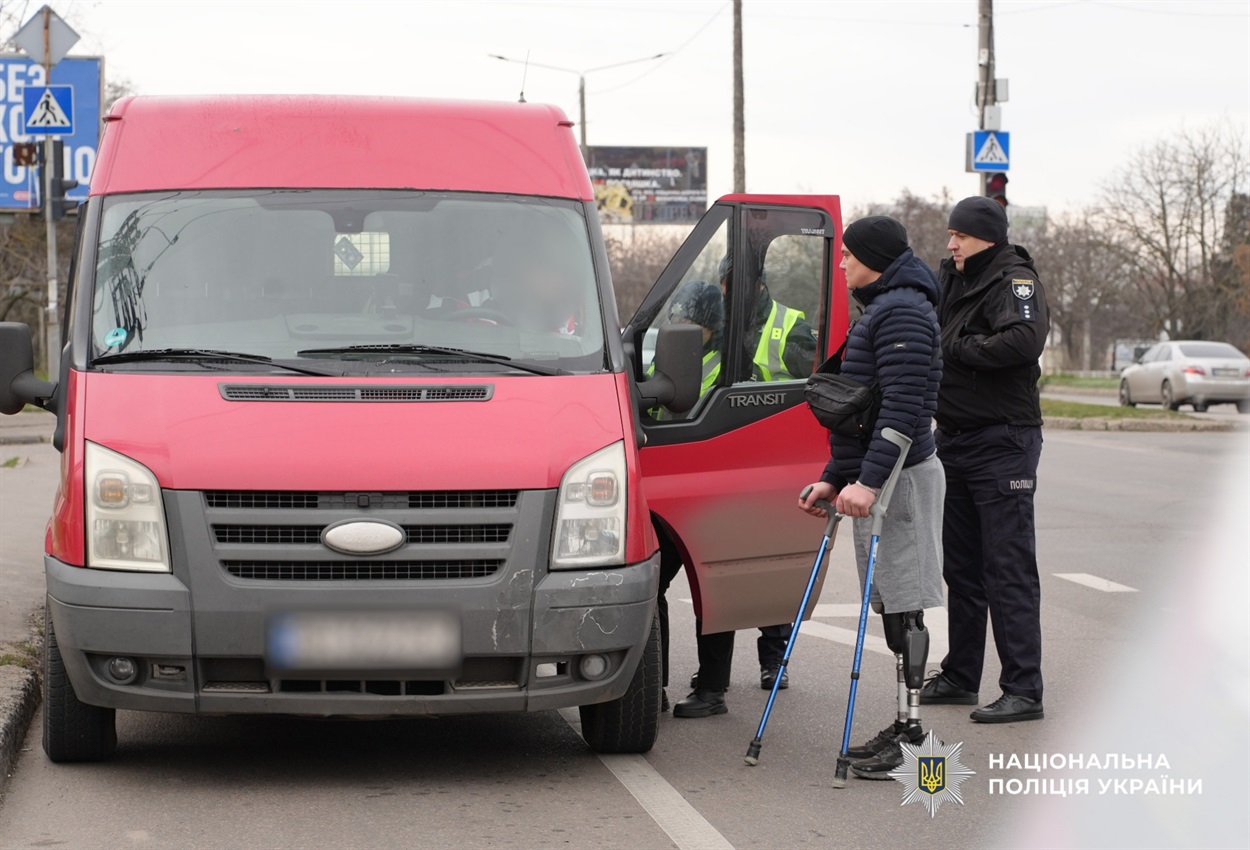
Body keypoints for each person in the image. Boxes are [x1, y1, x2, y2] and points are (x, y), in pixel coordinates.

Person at [799, 215, 945, 779]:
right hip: (881, 479)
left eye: (848, 254)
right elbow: (859, 409)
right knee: (890, 605)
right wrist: (836, 477)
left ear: (875, 257)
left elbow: (904, 411)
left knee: (905, 604)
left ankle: (912, 735)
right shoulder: (884, 305)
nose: (840, 263)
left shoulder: (904, 310)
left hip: (901, 480)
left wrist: (869, 482)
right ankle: (905, 725)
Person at [670, 258, 819, 719]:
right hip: (727, 463)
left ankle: (772, 661)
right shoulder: (721, 328)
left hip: (772, 460)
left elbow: (807, 389)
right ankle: (714, 680)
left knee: (759, 570)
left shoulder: (788, 326)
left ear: (758, 283)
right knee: (736, 575)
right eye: (725, 283)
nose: (730, 289)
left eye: (737, 282)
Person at [919, 196, 1049, 723]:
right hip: (955, 438)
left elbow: (1024, 340)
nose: (950, 244)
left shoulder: (1014, 280)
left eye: (961, 236)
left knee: (1007, 568)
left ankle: (1023, 690)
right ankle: (960, 675)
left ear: (987, 238)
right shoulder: (955, 276)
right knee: (963, 568)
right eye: (950, 234)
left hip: (1003, 440)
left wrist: (957, 350)